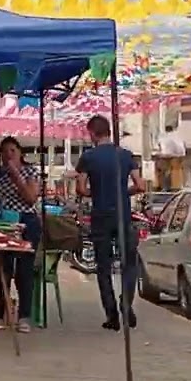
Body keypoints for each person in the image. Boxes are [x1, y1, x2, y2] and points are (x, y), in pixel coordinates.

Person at [75, 115, 145, 331]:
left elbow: (80, 189)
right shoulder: (125, 155)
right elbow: (140, 185)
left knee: (103, 268)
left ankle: (112, 315)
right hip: (123, 215)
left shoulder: (88, 157)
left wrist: (94, 192)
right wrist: (123, 193)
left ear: (93, 133)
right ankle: (127, 302)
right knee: (129, 263)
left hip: (100, 216)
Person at [0, 136, 42, 333]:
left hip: (26, 222)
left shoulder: (29, 172)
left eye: (12, 150)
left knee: (24, 271)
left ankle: (24, 316)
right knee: (2, 269)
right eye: (4, 151)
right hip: (4, 223)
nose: (8, 155)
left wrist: (16, 175)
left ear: (20, 153)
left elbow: (30, 198)